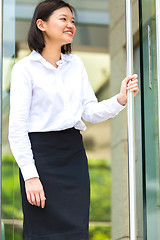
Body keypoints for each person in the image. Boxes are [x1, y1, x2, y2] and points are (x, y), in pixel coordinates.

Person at [8, 0, 139, 239]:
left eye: (73, 21)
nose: (71, 25)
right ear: (42, 24)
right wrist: (31, 176)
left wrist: (119, 99)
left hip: (72, 155)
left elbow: (88, 111)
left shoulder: (75, 65)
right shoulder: (24, 69)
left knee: (76, 231)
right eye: (63, 19)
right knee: (41, 231)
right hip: (41, 156)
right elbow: (17, 129)